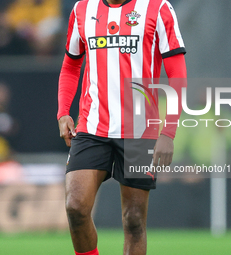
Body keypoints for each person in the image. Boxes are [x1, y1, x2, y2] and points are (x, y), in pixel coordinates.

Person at [57, 0, 187, 254]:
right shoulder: (82, 9)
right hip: (92, 128)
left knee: (134, 220)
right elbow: (71, 65)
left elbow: (177, 74)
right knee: (75, 207)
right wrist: (63, 112)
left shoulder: (158, 8)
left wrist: (168, 131)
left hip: (140, 132)